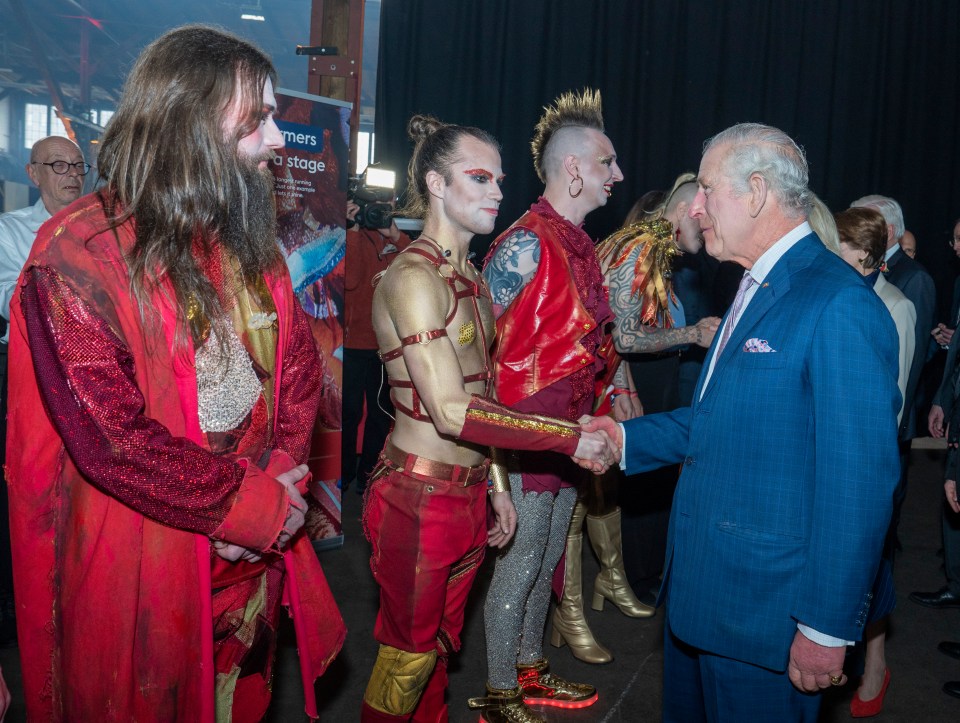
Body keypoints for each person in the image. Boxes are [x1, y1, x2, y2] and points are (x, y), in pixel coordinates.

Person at [6, 25, 345, 721]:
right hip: (143, 570)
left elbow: (302, 374)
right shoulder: (77, 256)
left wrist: (275, 486)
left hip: (250, 564)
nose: (278, 139)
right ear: (189, 122)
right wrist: (239, 506)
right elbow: (109, 437)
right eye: (259, 119)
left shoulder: (252, 246)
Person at [590, 122, 901, 721]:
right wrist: (624, 437)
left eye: (707, 189)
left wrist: (825, 626)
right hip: (701, 599)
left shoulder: (838, 303)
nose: (695, 206)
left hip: (769, 619)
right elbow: (718, 422)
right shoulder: (750, 284)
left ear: (756, 192)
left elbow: (859, 486)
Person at [360, 115, 618, 723]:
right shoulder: (414, 277)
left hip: (469, 492)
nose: (498, 193)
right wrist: (569, 437)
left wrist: (497, 486)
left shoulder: (473, 279)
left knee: (439, 655)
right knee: (406, 660)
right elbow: (452, 411)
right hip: (417, 496)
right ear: (435, 183)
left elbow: (488, 393)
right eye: (478, 178)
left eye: (499, 180)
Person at [475, 88, 620, 721]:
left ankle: (529, 671)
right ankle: (501, 690)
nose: (618, 174)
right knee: (519, 564)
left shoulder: (575, 244)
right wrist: (496, 467)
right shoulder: (524, 243)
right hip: (526, 438)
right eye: (607, 162)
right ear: (575, 170)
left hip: (568, 437)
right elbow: (475, 355)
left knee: (545, 564)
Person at [598, 173, 721, 613]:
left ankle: (644, 573)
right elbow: (625, 339)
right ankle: (637, 576)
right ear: (690, 210)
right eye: (704, 223)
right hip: (644, 379)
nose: (707, 235)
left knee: (653, 478)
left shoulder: (650, 246)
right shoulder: (641, 248)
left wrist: (621, 383)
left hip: (644, 379)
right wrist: (694, 333)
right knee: (643, 481)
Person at [0, 135, 88, 644]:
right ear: (34, 174)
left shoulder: (100, 234)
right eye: (58, 164)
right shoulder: (13, 232)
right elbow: (13, 307)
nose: (72, 173)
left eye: (78, 164)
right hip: (32, 390)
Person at [835, 206, 916, 716]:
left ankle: (877, 664)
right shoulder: (837, 296)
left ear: (863, 253)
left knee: (871, 567)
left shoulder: (898, 306)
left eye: (836, 244)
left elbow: (897, 398)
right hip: (838, 458)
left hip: (872, 462)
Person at [341, 200, 411, 495]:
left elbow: (418, 267)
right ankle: (342, 476)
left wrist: (394, 234)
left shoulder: (391, 238)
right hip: (353, 344)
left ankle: (367, 475)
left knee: (381, 413)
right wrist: (354, 228)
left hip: (385, 346)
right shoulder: (353, 235)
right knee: (350, 413)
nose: (375, 214)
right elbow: (352, 280)